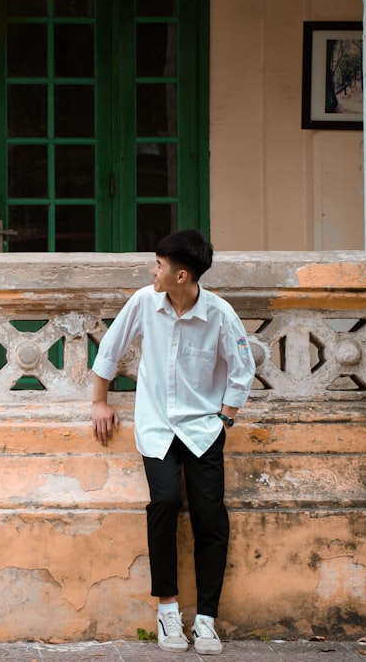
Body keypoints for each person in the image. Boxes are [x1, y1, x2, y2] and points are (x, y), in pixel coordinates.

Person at [90, 229, 256, 655]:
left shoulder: (220, 313)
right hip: (158, 426)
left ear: (182, 275)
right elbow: (111, 346)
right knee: (164, 502)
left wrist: (225, 419)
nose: (153, 271)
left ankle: (205, 619)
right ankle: (167, 611)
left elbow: (242, 368)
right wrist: (99, 402)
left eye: (159, 265)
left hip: (204, 430)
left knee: (210, 517)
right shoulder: (145, 302)